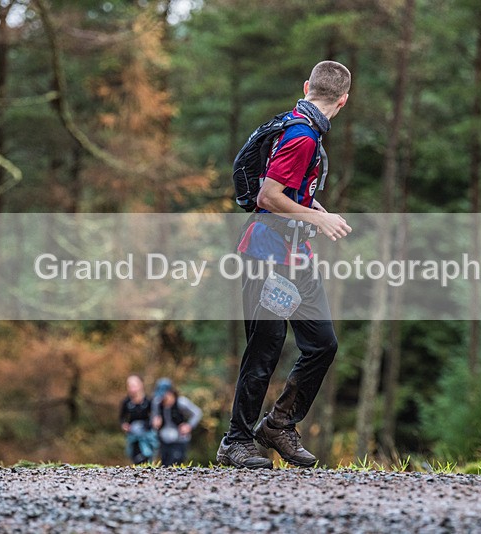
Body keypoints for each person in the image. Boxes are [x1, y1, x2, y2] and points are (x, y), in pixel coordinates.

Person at [217, 61, 352, 469]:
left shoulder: (299, 127)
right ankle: (236, 441)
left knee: (322, 343)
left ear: (307, 86)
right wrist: (319, 218)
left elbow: (292, 191)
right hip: (265, 254)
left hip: (297, 257)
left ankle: (278, 424)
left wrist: (315, 209)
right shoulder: (301, 135)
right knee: (265, 347)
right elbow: (269, 197)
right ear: (343, 101)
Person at [151, 379, 202, 466]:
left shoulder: (181, 402)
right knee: (165, 465)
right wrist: (155, 422)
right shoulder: (157, 403)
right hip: (164, 440)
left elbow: (197, 413)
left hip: (179, 440)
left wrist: (189, 426)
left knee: (175, 464)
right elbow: (153, 417)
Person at [119, 374, 158, 464]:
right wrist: (124, 425)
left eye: (134, 385)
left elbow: (155, 416)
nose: (132, 388)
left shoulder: (149, 401)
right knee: (135, 458)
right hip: (133, 436)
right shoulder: (126, 402)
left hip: (147, 435)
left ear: (141, 385)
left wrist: (154, 422)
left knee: (147, 457)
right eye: (129, 386)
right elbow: (122, 418)